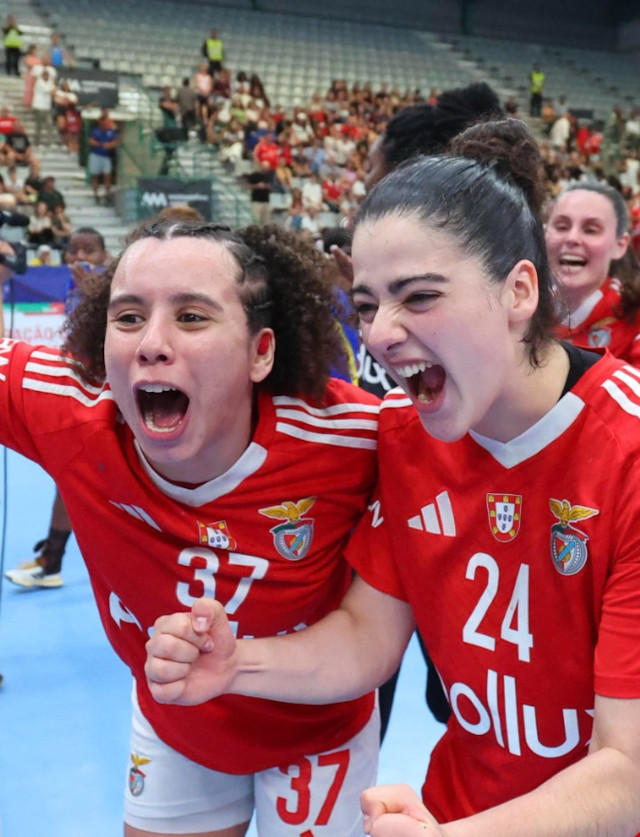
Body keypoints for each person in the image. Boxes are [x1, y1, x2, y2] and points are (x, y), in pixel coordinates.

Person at [145, 119, 640, 837]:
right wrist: (237, 663)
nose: (377, 334)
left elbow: (626, 766)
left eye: (418, 296)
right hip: (459, 806)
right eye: (370, 303)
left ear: (520, 291)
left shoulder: (625, 448)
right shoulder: (406, 438)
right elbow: (369, 639)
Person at [1, 218, 381, 836]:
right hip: (174, 717)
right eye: (127, 318)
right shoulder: (69, 410)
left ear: (261, 351)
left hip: (317, 730)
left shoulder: (357, 437)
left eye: (193, 317)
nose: (151, 342)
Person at [5, 227, 110, 589]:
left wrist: (97, 293)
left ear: (105, 256)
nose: (79, 256)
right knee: (68, 480)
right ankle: (52, 560)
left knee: (73, 480)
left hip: (112, 402)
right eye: (72, 249)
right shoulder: (74, 286)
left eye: (89, 250)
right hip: (82, 396)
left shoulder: (113, 288)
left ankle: (52, 560)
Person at [546, 181, 640, 366]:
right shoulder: (521, 308)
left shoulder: (633, 318)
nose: (572, 238)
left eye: (590, 230)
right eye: (562, 227)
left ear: (620, 245)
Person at [88, 110, 118, 203]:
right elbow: (91, 141)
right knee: (95, 175)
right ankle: (95, 193)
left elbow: (114, 142)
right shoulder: (95, 131)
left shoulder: (111, 131)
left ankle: (107, 193)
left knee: (107, 175)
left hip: (106, 156)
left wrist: (109, 145)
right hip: (96, 155)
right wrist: (101, 144)